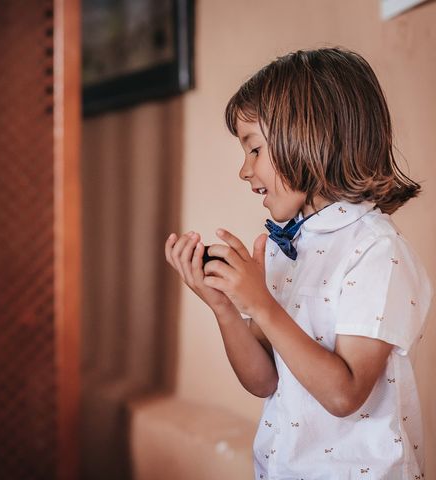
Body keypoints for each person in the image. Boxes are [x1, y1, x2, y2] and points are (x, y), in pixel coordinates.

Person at [165, 48, 432, 479]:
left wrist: (264, 305)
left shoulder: (377, 251)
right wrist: (225, 306)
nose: (244, 171)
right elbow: (264, 381)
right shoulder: (286, 247)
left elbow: (344, 396)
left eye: (254, 149)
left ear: (311, 139)